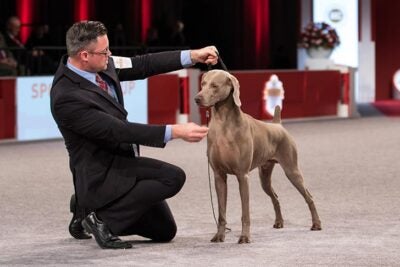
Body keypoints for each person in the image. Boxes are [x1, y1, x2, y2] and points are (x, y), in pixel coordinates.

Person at [50, 21, 218, 249]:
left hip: (123, 160)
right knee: (172, 177)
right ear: (84, 55)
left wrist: (193, 56)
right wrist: (175, 131)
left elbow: (143, 64)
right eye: (104, 51)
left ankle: (85, 206)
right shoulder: (66, 97)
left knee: (165, 231)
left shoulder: (101, 63)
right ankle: (101, 220)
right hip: (101, 171)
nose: (110, 55)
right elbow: (118, 131)